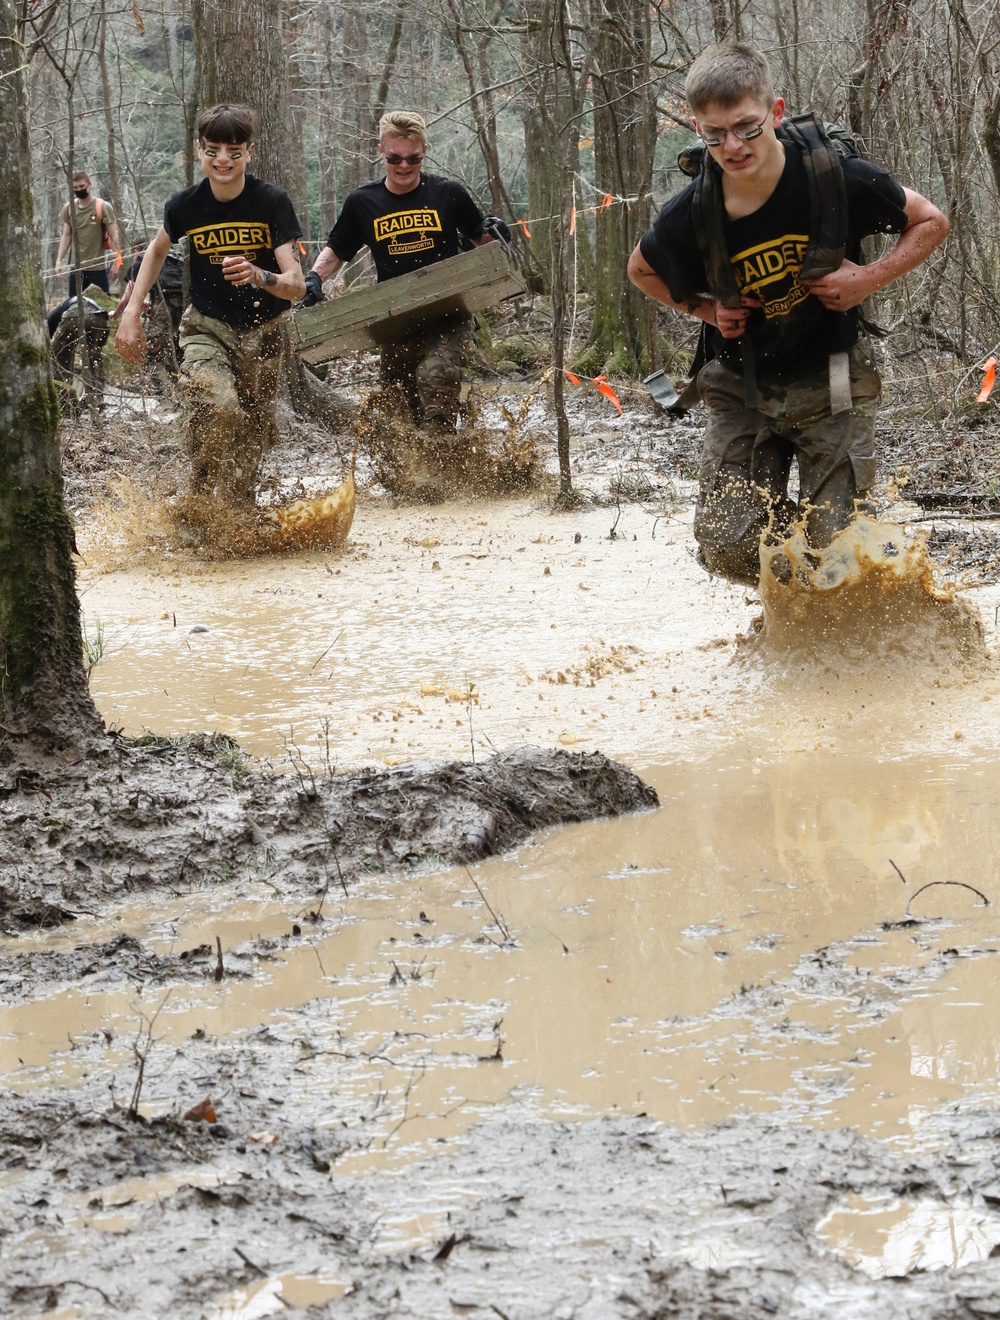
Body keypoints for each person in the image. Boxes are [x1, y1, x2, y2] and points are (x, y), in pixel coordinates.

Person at [627, 41, 949, 586]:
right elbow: (640, 269)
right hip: (741, 383)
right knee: (729, 548)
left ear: (775, 113)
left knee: (836, 555)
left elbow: (931, 222)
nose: (733, 145)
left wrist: (864, 280)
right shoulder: (694, 210)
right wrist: (706, 310)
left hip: (833, 380)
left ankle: (838, 611)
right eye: (715, 134)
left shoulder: (835, 176)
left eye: (747, 127)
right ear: (697, 128)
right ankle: (793, 606)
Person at [115, 104, 305, 503]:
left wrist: (259, 274)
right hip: (207, 324)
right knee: (218, 404)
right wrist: (132, 311)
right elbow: (155, 251)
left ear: (249, 153)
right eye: (213, 149)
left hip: (266, 330)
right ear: (199, 150)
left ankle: (235, 515)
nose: (222, 160)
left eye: (233, 152)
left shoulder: (271, 201)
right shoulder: (185, 205)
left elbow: (297, 286)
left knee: (253, 433)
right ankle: (198, 498)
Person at [304, 110, 508, 434]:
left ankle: (445, 470)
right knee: (398, 409)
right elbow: (337, 249)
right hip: (396, 319)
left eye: (413, 159)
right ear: (381, 151)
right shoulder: (362, 202)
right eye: (395, 158)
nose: (403, 167)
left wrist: (495, 231)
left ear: (424, 151)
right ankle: (410, 479)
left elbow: (481, 237)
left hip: (448, 311)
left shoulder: (447, 193)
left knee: (436, 376)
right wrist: (313, 278)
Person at [48, 170, 122, 338]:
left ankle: (104, 346)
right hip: (76, 268)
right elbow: (67, 235)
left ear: (90, 185)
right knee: (74, 309)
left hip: (97, 268)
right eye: (75, 187)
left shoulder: (102, 207)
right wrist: (59, 261)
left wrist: (117, 260)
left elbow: (114, 234)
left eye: (82, 186)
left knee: (101, 309)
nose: (79, 189)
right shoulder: (69, 209)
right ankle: (77, 344)